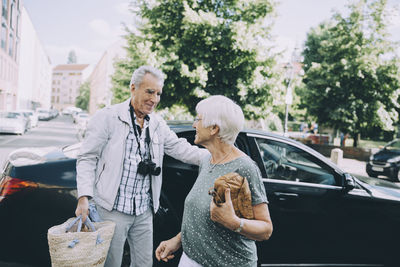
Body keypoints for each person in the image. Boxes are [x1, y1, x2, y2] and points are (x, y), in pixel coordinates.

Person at [75, 65, 208, 267]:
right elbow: (86, 157)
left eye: (158, 94)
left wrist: (216, 156)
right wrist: (83, 197)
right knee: (110, 263)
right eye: (149, 92)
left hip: (144, 210)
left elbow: (180, 148)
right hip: (112, 209)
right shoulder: (107, 117)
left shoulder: (157, 123)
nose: (154, 99)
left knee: (144, 263)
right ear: (133, 88)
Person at [155, 95, 273, 267]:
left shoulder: (244, 167)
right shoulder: (207, 160)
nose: (194, 124)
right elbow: (199, 217)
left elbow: (266, 230)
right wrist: (177, 240)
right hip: (191, 258)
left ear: (214, 129)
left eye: (198, 119)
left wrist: (234, 222)